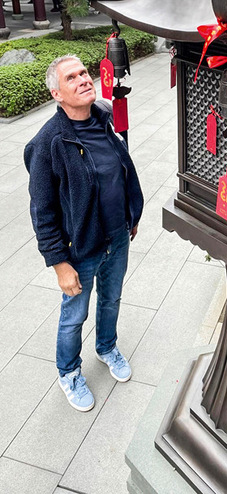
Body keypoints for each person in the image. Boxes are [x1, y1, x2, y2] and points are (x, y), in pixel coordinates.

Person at [24, 55, 143, 412]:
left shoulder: (104, 116)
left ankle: (106, 346)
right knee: (74, 313)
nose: (83, 80)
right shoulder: (47, 144)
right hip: (82, 247)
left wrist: (131, 213)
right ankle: (69, 372)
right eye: (71, 78)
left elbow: (121, 169)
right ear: (57, 93)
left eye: (84, 73)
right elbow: (42, 211)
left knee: (112, 299)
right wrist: (59, 263)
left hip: (118, 235)